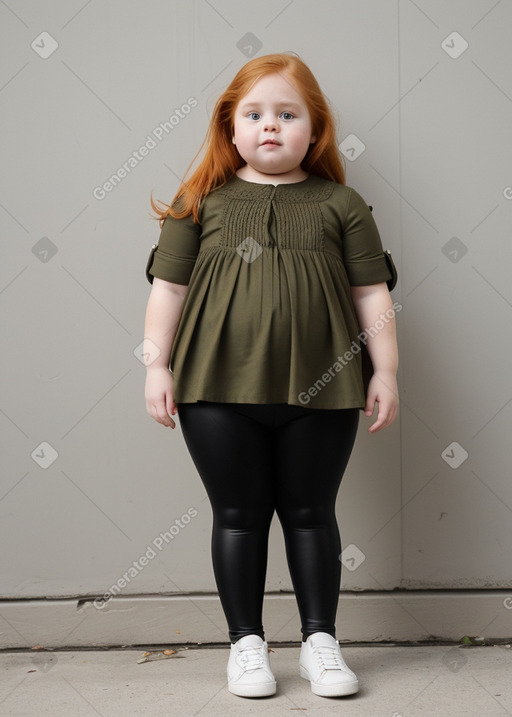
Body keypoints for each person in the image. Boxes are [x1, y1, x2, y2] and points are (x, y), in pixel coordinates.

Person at [143, 52, 399, 699]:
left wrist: (386, 370)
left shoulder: (343, 204)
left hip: (326, 389)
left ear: (314, 130)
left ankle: (321, 643)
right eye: (254, 114)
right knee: (237, 514)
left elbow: (371, 293)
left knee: (312, 514)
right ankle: (246, 645)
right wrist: (157, 366)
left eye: (288, 114)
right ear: (231, 128)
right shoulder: (199, 201)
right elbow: (168, 290)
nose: (270, 127)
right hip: (215, 392)